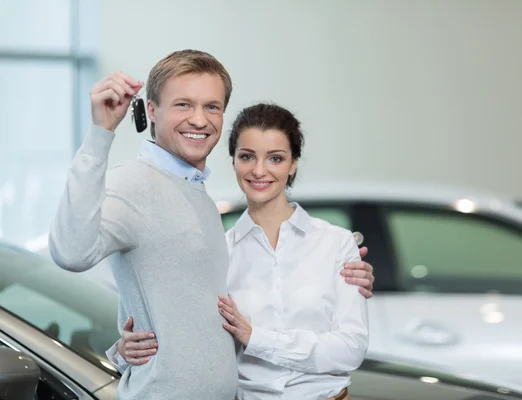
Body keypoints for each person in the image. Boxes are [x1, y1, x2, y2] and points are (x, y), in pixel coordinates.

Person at [49, 49, 374, 400]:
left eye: (212, 107)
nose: (199, 120)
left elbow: (179, 305)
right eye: (183, 105)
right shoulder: (134, 184)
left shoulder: (199, 200)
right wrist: (101, 133)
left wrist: (125, 348)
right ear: (152, 111)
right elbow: (71, 251)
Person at [113, 103, 370, 400]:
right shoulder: (217, 251)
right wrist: (123, 352)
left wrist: (256, 338)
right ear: (233, 161)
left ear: (294, 163)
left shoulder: (336, 244)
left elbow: (350, 349)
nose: (259, 170)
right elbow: (188, 340)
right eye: (247, 156)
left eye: (275, 158)